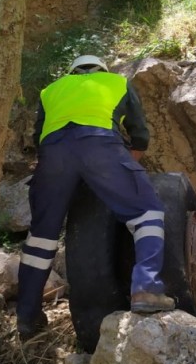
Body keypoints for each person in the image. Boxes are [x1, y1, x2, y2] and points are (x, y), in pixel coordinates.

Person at [16, 55, 175, 339]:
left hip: (53, 158)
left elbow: (39, 137)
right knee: (147, 212)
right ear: (102, 69)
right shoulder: (117, 82)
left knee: (41, 237)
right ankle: (146, 288)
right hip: (100, 146)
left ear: (72, 71)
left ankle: (27, 318)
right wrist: (120, 176)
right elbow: (139, 136)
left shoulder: (50, 90)